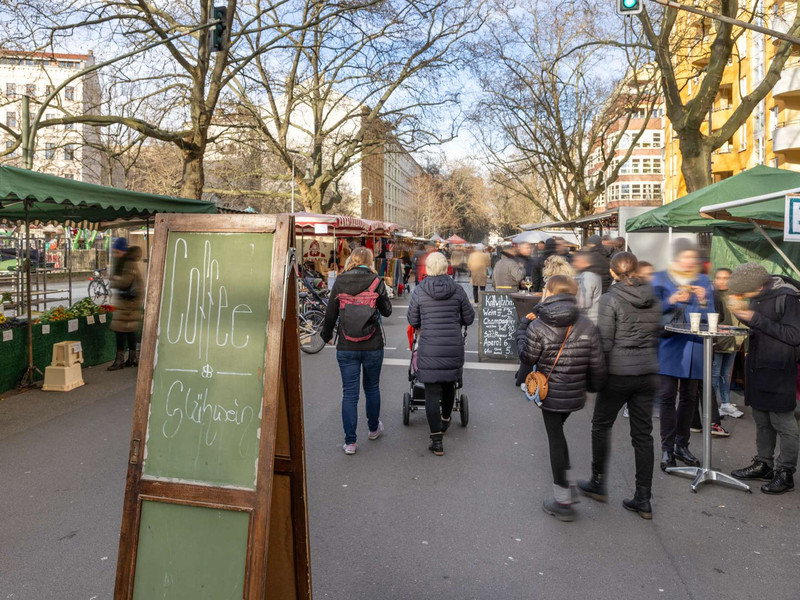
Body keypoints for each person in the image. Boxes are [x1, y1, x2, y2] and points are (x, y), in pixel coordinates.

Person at [577, 253, 662, 519]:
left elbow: (605, 341)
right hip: (647, 370)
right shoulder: (653, 296)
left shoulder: (610, 298)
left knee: (601, 425)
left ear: (613, 273)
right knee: (643, 435)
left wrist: (594, 373)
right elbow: (656, 333)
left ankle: (598, 481)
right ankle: (643, 498)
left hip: (618, 372)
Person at [517, 275, 606, 522]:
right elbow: (597, 363)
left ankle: (562, 500)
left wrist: (522, 328)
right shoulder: (586, 323)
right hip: (575, 391)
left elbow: (527, 356)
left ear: (550, 292)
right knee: (559, 433)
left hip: (551, 391)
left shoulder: (539, 323)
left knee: (555, 438)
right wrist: (594, 387)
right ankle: (566, 485)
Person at [727, 263, 800, 494]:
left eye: (743, 292)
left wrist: (753, 317)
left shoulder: (787, 297)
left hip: (779, 369)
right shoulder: (758, 296)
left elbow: (793, 335)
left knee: (783, 423)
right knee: (761, 419)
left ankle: (785, 472)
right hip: (757, 366)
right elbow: (761, 326)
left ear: (758, 285)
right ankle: (764, 463)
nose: (741, 296)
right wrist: (743, 319)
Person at [320, 247, 393, 455]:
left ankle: (350, 442)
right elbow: (387, 311)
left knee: (349, 394)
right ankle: (372, 429)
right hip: (372, 345)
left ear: (351, 259)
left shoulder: (341, 281)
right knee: (372, 388)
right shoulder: (376, 281)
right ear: (370, 261)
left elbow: (330, 313)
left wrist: (326, 337)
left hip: (346, 345)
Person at [652, 240, 715, 471]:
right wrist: (672, 300)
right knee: (667, 396)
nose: (689, 262)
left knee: (689, 397)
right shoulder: (660, 278)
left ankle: (682, 444)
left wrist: (704, 300)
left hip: (695, 345)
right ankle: (667, 448)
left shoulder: (704, 281)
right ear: (676, 259)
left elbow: (712, 317)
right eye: (684, 257)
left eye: (693, 258)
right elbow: (648, 310)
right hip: (668, 345)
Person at [407, 252, 475, 456]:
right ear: (446, 267)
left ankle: (436, 441)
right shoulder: (458, 290)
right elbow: (469, 318)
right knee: (449, 385)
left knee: (431, 392)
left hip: (429, 347)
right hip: (452, 346)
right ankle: (446, 420)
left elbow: (413, 319)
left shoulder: (420, 291)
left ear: (427, 268)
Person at [712, 267, 746, 419]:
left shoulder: (736, 297)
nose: (721, 281)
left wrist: (741, 341)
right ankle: (710, 407)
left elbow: (742, 321)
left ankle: (725, 404)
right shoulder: (711, 296)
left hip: (732, 343)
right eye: (719, 278)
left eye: (726, 278)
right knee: (714, 375)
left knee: (725, 374)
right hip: (715, 343)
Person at [108, 238, 144, 371]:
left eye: (117, 251)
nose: (115, 254)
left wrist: (113, 280)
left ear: (123, 251)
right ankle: (132, 358)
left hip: (128, 303)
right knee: (130, 330)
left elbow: (125, 282)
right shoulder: (130, 261)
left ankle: (120, 360)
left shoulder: (127, 263)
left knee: (120, 330)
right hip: (131, 302)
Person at [572, 250, 602, 324]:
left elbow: (584, 303)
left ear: (584, 261)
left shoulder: (587, 276)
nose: (574, 263)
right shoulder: (594, 274)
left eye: (577, 261)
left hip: (587, 321)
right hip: (591, 320)